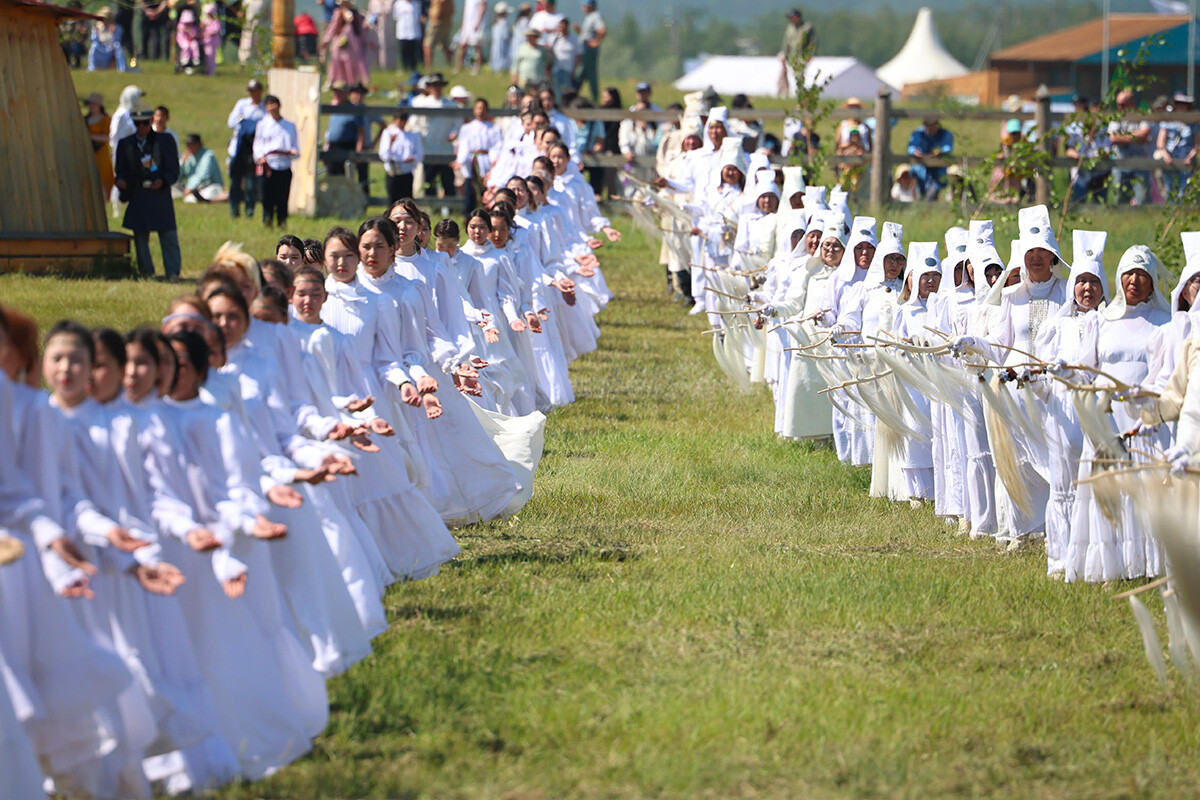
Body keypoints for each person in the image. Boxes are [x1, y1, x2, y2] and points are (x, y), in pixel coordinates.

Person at [114, 109, 182, 280]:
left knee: (168, 234)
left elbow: (173, 169)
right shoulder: (126, 144)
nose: (141, 127)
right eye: (137, 123)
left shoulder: (165, 140)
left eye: (145, 123)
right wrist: (121, 182)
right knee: (140, 235)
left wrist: (163, 180)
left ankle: (173, 272)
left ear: (151, 121)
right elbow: (121, 170)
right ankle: (146, 271)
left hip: (159, 194)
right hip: (138, 194)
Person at [409, 73, 461, 201]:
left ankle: (450, 206)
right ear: (429, 87)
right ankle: (431, 207)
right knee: (429, 181)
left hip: (445, 148)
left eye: (439, 86)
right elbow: (414, 123)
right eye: (434, 86)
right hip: (428, 148)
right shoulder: (421, 104)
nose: (437, 88)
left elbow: (458, 122)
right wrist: (420, 137)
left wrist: (454, 133)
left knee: (448, 181)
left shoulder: (450, 105)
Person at [252, 95, 300, 228]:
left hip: (284, 164)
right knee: (267, 197)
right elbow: (257, 144)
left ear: (279, 105)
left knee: (282, 197)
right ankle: (267, 221)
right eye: (268, 105)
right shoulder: (262, 125)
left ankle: (282, 222)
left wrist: (292, 152)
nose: (272, 107)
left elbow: (295, 146)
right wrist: (260, 157)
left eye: (274, 104)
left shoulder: (289, 126)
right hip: (268, 164)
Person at [227, 78, 266, 219]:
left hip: (254, 147)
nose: (253, 94)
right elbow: (231, 122)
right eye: (251, 91)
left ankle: (249, 211)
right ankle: (234, 210)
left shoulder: (264, 109)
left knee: (251, 182)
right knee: (235, 181)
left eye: (255, 91)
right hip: (239, 146)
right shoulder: (242, 105)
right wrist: (243, 120)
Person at [1108, 90, 1152, 205]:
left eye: (1123, 105)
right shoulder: (1116, 118)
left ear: (1132, 103)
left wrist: (1122, 136)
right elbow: (1113, 138)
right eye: (1118, 105)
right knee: (1119, 198)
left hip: (1139, 162)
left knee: (1143, 198)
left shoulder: (1141, 116)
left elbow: (1145, 133)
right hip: (1120, 162)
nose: (1120, 108)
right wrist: (1135, 137)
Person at [321, 1, 372, 89]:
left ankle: (353, 82)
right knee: (336, 60)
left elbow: (361, 29)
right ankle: (333, 80)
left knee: (352, 62)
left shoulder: (356, 14)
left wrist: (367, 40)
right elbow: (332, 28)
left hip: (353, 43)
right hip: (340, 40)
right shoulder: (338, 13)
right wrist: (326, 40)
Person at [1155, 93, 1196, 201]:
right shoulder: (1168, 121)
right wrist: (1165, 155)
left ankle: (1182, 214)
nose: (1181, 106)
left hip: (1186, 159)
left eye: (1184, 104)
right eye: (1178, 104)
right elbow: (1160, 142)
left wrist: (1191, 156)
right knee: (1170, 191)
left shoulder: (1193, 123)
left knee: (1184, 192)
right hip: (1170, 158)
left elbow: (1197, 144)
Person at [379, 109, 422, 203]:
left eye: (403, 120)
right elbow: (384, 155)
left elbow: (419, 154)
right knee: (392, 199)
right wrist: (391, 142)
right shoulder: (388, 133)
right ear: (394, 120)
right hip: (393, 170)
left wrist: (413, 158)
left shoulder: (413, 135)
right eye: (398, 120)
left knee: (407, 200)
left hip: (406, 170)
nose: (401, 123)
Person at [907, 116, 953, 200]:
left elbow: (948, 148)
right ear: (924, 123)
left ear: (937, 124)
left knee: (934, 188)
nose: (930, 127)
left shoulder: (944, 134)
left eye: (933, 124)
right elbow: (911, 148)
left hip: (938, 169)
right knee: (915, 173)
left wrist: (940, 151)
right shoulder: (918, 133)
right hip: (921, 168)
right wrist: (915, 151)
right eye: (927, 124)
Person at [177, 133, 227, 202]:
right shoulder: (187, 157)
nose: (189, 147)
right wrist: (182, 162)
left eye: (191, 144)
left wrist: (190, 188)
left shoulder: (208, 155)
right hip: (194, 189)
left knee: (206, 195)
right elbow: (178, 177)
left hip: (210, 186)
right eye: (187, 144)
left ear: (198, 145)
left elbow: (203, 174)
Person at [83, 92, 115, 201]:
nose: (92, 107)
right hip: (88, 153)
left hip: (101, 153)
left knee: (103, 177)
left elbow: (107, 137)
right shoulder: (85, 119)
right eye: (90, 104)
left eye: (94, 104)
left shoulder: (105, 119)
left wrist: (91, 136)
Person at [575, 0, 606, 102]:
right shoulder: (589, 17)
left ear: (590, 6)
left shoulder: (595, 16)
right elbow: (586, 34)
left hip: (589, 50)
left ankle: (595, 98)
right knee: (582, 74)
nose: (583, 8)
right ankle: (573, 95)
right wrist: (579, 31)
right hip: (584, 49)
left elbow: (602, 30)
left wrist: (596, 42)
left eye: (585, 6)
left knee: (590, 74)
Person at [778, 8, 814, 94]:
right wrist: (784, 54)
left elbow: (812, 42)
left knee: (799, 75)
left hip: (802, 55)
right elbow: (786, 42)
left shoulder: (807, 27)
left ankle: (801, 92)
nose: (790, 19)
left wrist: (810, 54)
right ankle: (784, 92)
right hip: (791, 56)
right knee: (785, 74)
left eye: (792, 17)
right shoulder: (790, 28)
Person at [546, 16, 579, 103]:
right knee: (556, 89)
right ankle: (558, 104)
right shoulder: (554, 38)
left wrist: (575, 70)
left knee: (568, 89)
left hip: (568, 68)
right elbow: (549, 51)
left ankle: (568, 104)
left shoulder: (574, 38)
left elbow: (578, 55)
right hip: (556, 68)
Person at [87, 7, 128, 72]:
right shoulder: (97, 27)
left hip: (111, 48)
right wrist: (96, 32)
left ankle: (121, 68)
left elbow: (117, 40)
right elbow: (94, 39)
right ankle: (92, 67)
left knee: (118, 46)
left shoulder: (117, 27)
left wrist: (113, 32)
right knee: (94, 46)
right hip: (101, 48)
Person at [456, 0, 487, 73]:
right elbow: (466, 10)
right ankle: (459, 67)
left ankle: (477, 68)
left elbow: (483, 6)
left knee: (477, 47)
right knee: (462, 45)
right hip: (467, 25)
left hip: (476, 25)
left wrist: (478, 22)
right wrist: (463, 23)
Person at [423, 0, 455, 68]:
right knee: (445, 45)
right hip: (446, 22)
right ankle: (450, 65)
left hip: (437, 22)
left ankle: (429, 67)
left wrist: (435, 14)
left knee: (427, 45)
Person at [392, 0, 422, 71]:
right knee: (404, 50)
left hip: (413, 31)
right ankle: (404, 67)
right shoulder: (398, 4)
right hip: (402, 31)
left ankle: (413, 67)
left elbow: (418, 16)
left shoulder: (416, 4)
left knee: (413, 51)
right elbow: (396, 17)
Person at [490, 2, 512, 73]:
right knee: (501, 54)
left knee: (496, 54)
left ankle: (496, 67)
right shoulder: (504, 22)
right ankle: (501, 68)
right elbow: (505, 35)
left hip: (496, 43)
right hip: (502, 43)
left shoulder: (496, 21)